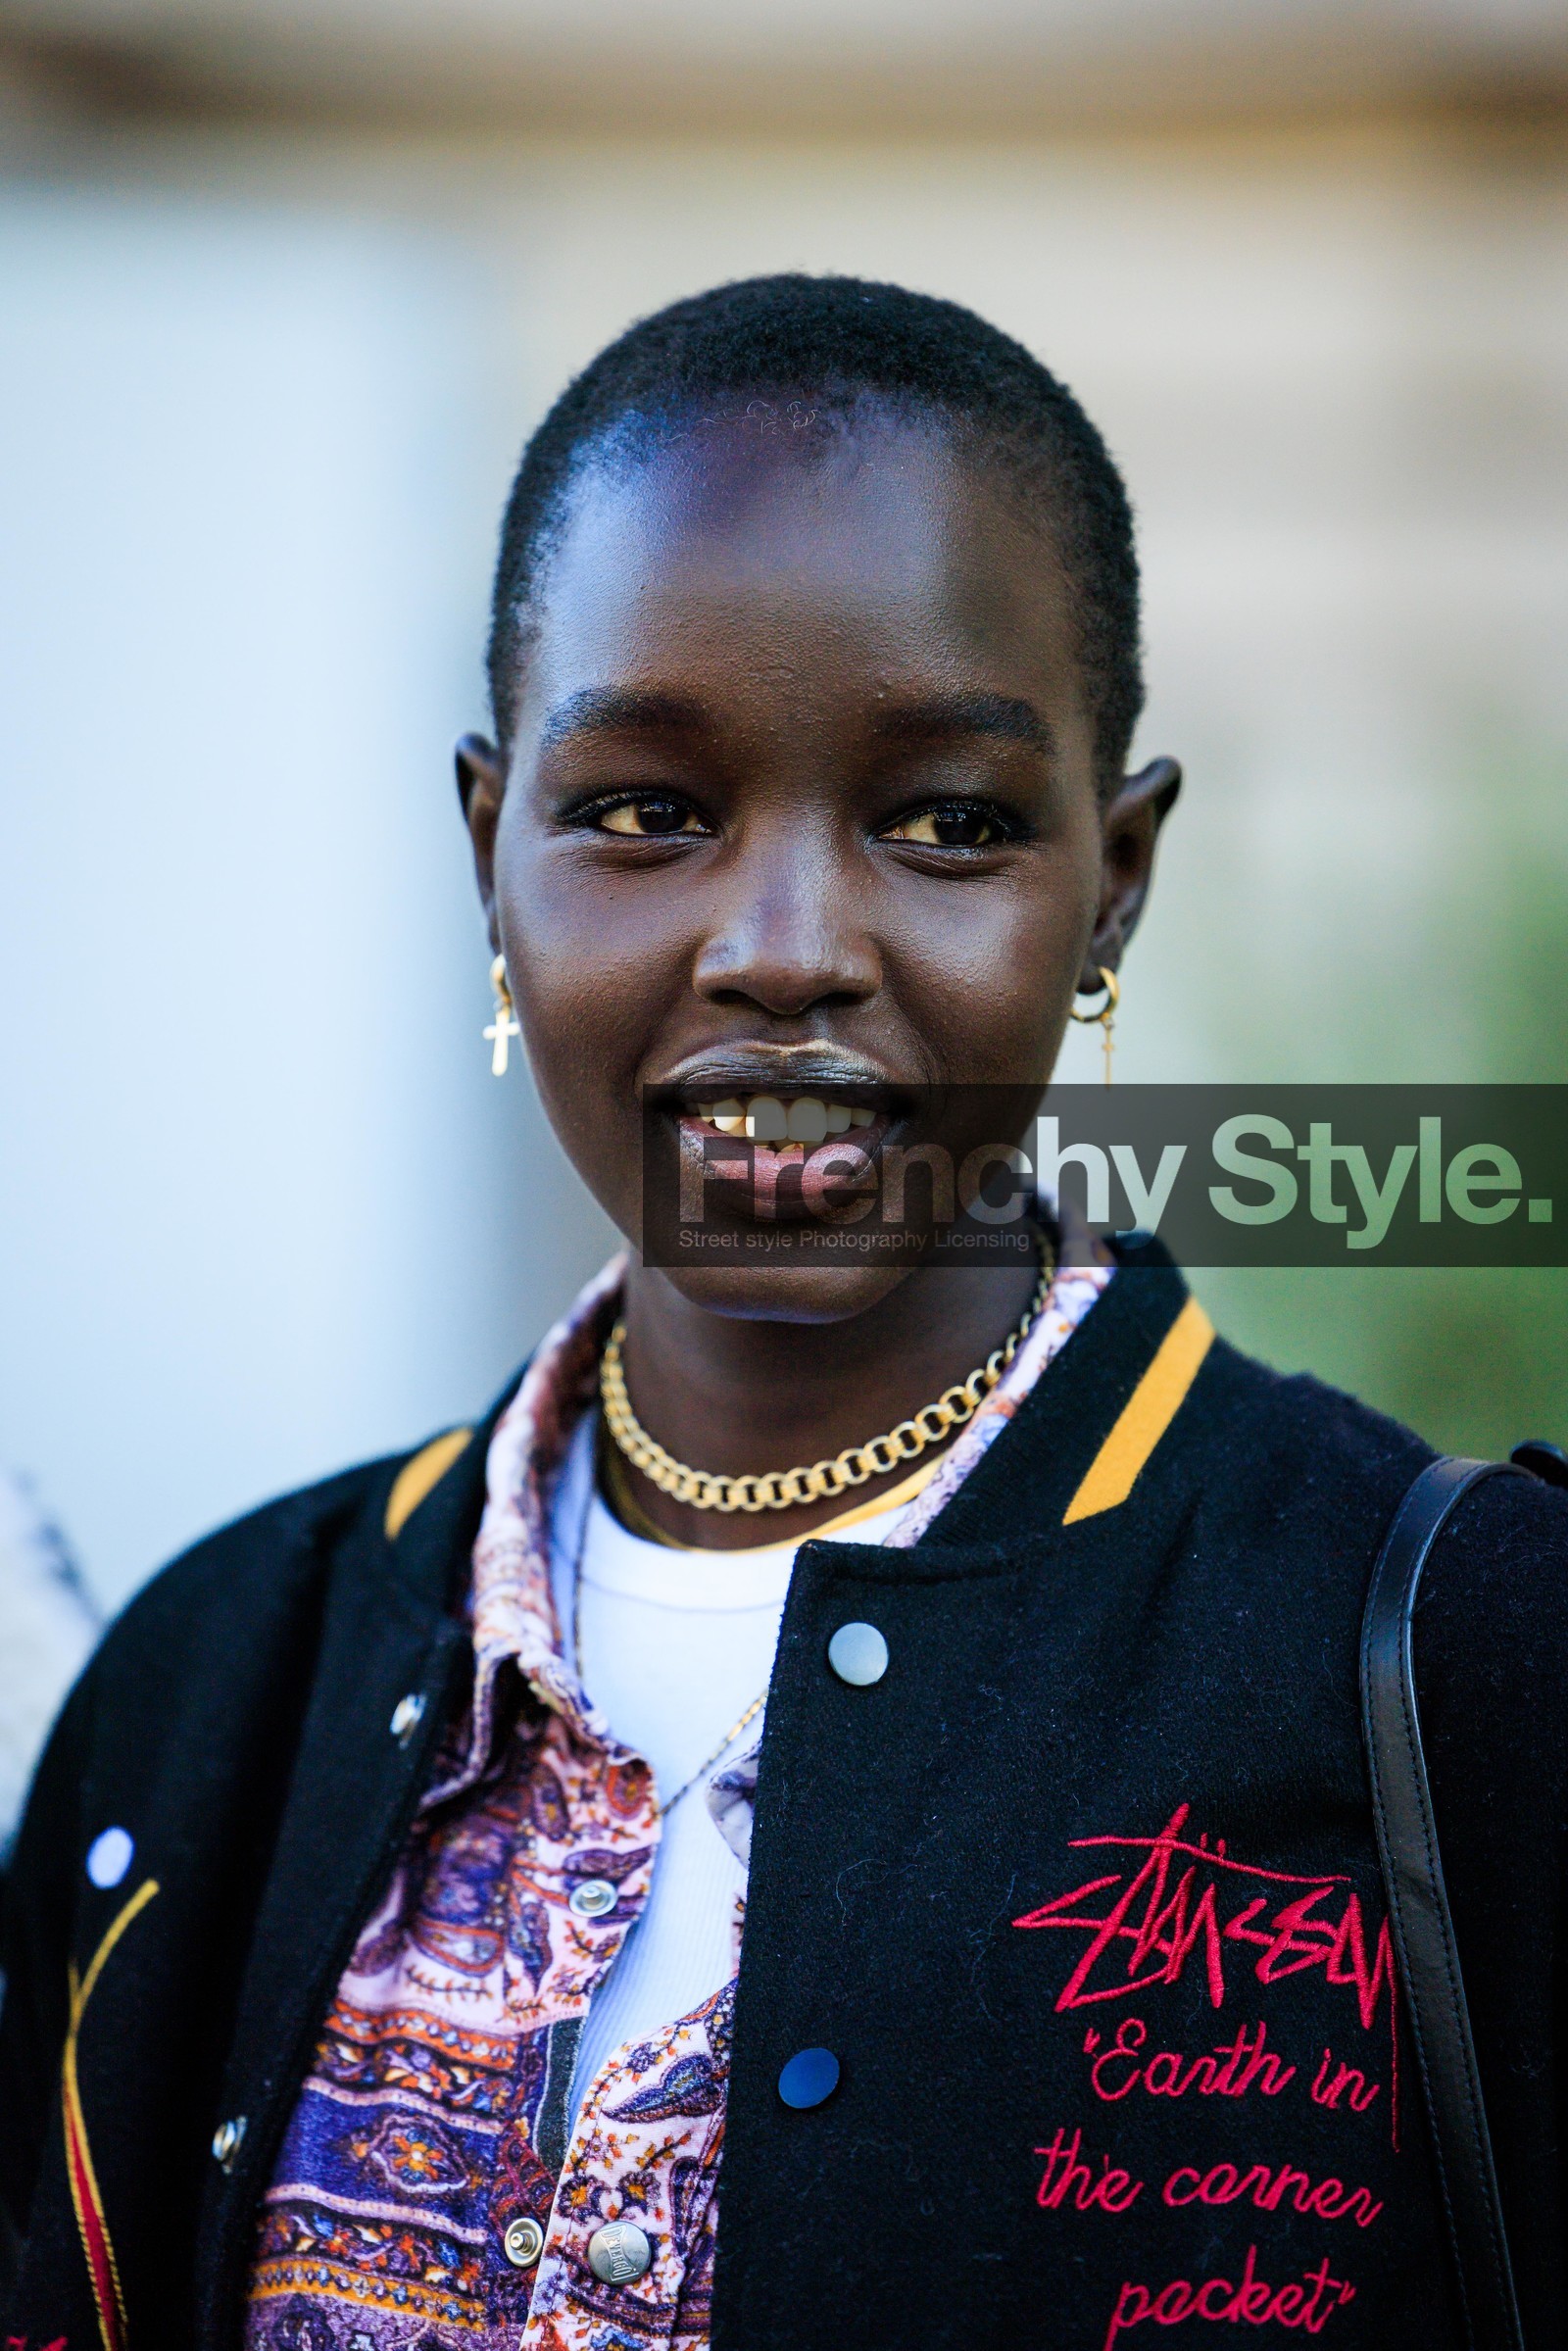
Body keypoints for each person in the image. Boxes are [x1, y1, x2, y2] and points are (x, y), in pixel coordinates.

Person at [1, 273, 1564, 2351]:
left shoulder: (1469, 1662)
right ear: (488, 852)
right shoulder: (208, 1687)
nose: (784, 948)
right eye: (643, 812)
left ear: (1112, 881)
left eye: (947, 824)